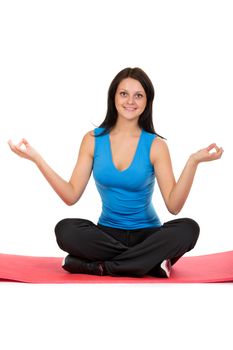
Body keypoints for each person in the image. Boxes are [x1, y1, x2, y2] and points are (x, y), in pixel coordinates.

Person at [8, 67, 223, 278]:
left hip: (148, 236)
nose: (130, 101)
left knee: (188, 229)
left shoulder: (156, 145)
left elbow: (174, 207)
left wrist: (193, 161)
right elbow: (71, 195)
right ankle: (149, 264)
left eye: (138, 95)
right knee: (65, 230)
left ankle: (100, 267)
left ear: (147, 102)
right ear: (113, 97)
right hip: (106, 235)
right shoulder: (92, 140)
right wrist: (37, 159)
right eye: (124, 94)